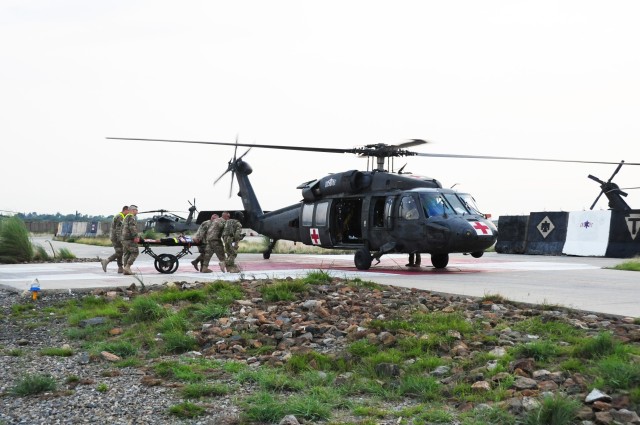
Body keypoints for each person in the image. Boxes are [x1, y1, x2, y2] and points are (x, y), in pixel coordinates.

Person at [101, 205, 128, 273]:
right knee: (119, 252)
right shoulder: (120, 217)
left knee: (119, 252)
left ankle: (120, 268)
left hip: (115, 237)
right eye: (128, 211)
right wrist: (120, 239)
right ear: (125, 210)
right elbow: (118, 229)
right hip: (116, 237)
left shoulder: (119, 215)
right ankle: (107, 261)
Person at [121, 204, 140, 275]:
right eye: (136, 210)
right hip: (129, 238)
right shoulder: (131, 217)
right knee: (135, 252)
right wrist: (136, 236)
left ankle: (125, 270)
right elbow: (132, 227)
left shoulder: (126, 217)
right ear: (132, 210)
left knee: (127, 253)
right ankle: (127, 267)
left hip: (124, 238)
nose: (137, 212)